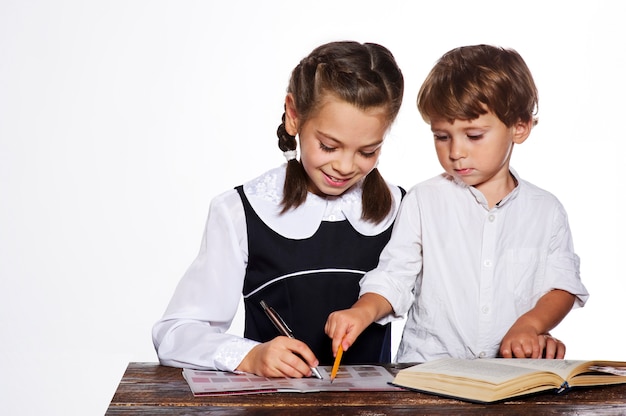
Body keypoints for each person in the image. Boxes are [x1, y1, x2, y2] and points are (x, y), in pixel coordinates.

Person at [152, 41, 405, 378]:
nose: (345, 166)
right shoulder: (242, 211)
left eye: (367, 151)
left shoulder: (402, 207)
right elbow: (175, 332)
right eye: (329, 146)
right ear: (293, 115)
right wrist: (251, 356)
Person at [325, 44, 589, 363]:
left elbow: (561, 286)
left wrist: (530, 326)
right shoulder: (424, 200)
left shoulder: (546, 211)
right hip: (428, 373)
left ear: (520, 127)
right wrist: (362, 312)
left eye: (474, 135)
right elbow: (395, 275)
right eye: (442, 136)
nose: (456, 152)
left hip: (511, 375)